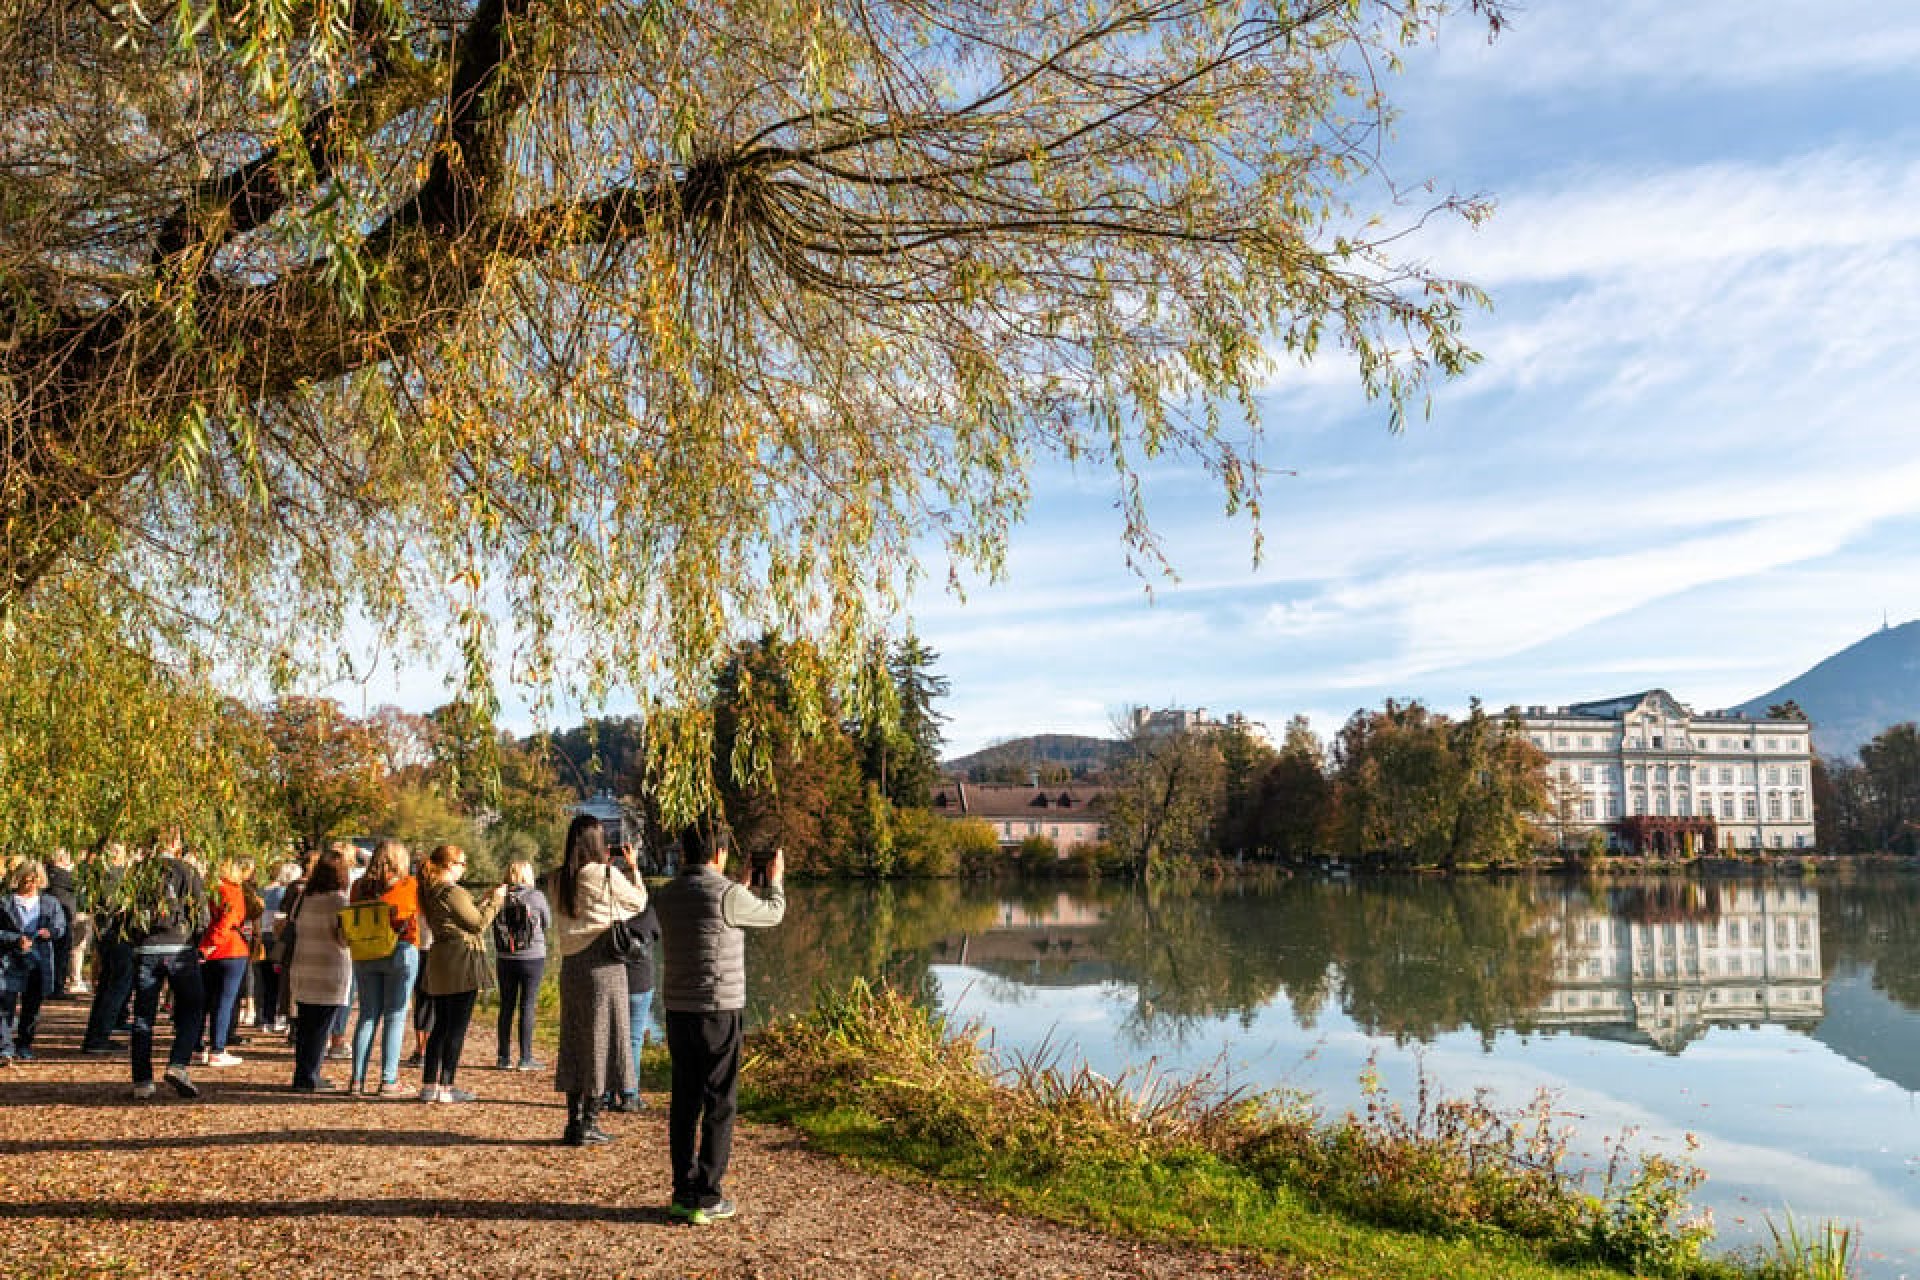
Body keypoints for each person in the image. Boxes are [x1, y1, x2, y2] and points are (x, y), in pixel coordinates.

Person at [653, 828, 785, 1223]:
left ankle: (682, 1191)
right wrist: (774, 882)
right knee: (719, 1101)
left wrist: (740, 884)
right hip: (718, 1008)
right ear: (721, 852)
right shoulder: (728, 896)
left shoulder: (668, 893)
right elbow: (772, 914)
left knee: (685, 1100)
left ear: (684, 853)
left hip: (678, 1010)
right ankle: (708, 1197)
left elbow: (711, 912)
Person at [550, 816, 648, 1146]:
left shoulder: (557, 879)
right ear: (596, 842)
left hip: (572, 968)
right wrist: (632, 868)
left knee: (576, 1041)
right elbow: (638, 902)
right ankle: (590, 1123)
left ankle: (572, 1122)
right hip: (604, 966)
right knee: (603, 1042)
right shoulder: (604, 874)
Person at [418, 844, 505, 1103]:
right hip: (460, 961)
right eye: (462, 863)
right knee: (456, 1027)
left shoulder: (431, 890)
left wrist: (483, 900)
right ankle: (447, 1085)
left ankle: (429, 1085)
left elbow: (458, 916)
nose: (464, 868)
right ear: (449, 865)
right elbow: (477, 924)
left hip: (441, 961)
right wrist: (497, 901)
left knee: (440, 1025)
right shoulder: (453, 891)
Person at [125, 833, 209, 1099]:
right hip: (179, 946)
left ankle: (142, 1080)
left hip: (147, 947)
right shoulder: (187, 871)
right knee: (193, 1006)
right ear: (175, 844)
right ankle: (178, 1062)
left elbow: (125, 911)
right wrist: (194, 941)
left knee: (143, 1014)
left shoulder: (137, 872)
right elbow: (201, 914)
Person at [346, 840, 420, 1097]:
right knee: (395, 1016)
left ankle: (357, 1080)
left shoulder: (358, 887)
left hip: (366, 952)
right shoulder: (408, 884)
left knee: (367, 1015)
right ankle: (388, 1080)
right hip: (400, 950)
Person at [285, 846, 352, 1092]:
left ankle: (301, 1073)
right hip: (329, 970)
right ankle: (310, 1077)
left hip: (303, 966)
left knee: (305, 1026)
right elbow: (344, 938)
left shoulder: (304, 898)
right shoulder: (340, 902)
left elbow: (293, 926)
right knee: (320, 1029)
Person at [604, 846, 659, 1115]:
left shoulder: (608, 911)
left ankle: (604, 1094)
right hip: (639, 981)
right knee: (633, 1039)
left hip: (611, 978)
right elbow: (655, 935)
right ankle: (629, 1093)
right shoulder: (645, 910)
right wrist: (634, 867)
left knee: (608, 1037)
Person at [0, 859, 68, 1063]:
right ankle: (5, 1047)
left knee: (32, 1006)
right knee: (5, 1004)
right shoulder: (4, 904)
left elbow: (60, 927)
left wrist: (50, 932)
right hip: (9, 960)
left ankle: (24, 1043)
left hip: (39, 960)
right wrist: (14, 939)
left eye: (34, 881)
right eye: (26, 881)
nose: (30, 885)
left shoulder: (50, 903)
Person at [492, 858, 552, 1071]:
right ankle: (525, 1058)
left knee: (506, 1006)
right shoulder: (536, 896)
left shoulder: (500, 897)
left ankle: (503, 1057)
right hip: (532, 957)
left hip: (505, 957)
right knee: (527, 1006)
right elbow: (547, 923)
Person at [197, 856, 254, 1066]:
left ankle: (197, 1044)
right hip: (229, 949)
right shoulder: (233, 890)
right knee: (224, 1001)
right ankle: (217, 1048)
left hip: (209, 949)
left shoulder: (211, 888)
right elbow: (228, 920)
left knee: (205, 1000)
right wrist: (213, 943)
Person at [253, 861, 299, 1034]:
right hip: (277, 940)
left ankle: (265, 1018)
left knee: (264, 982)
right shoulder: (285, 894)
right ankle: (281, 1018)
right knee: (281, 982)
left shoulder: (264, 892)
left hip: (263, 937)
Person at [43, 849, 79, 997]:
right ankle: (56, 987)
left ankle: (53, 986)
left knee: (55, 953)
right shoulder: (62, 877)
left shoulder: (47, 875)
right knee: (60, 954)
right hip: (62, 920)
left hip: (54, 919)